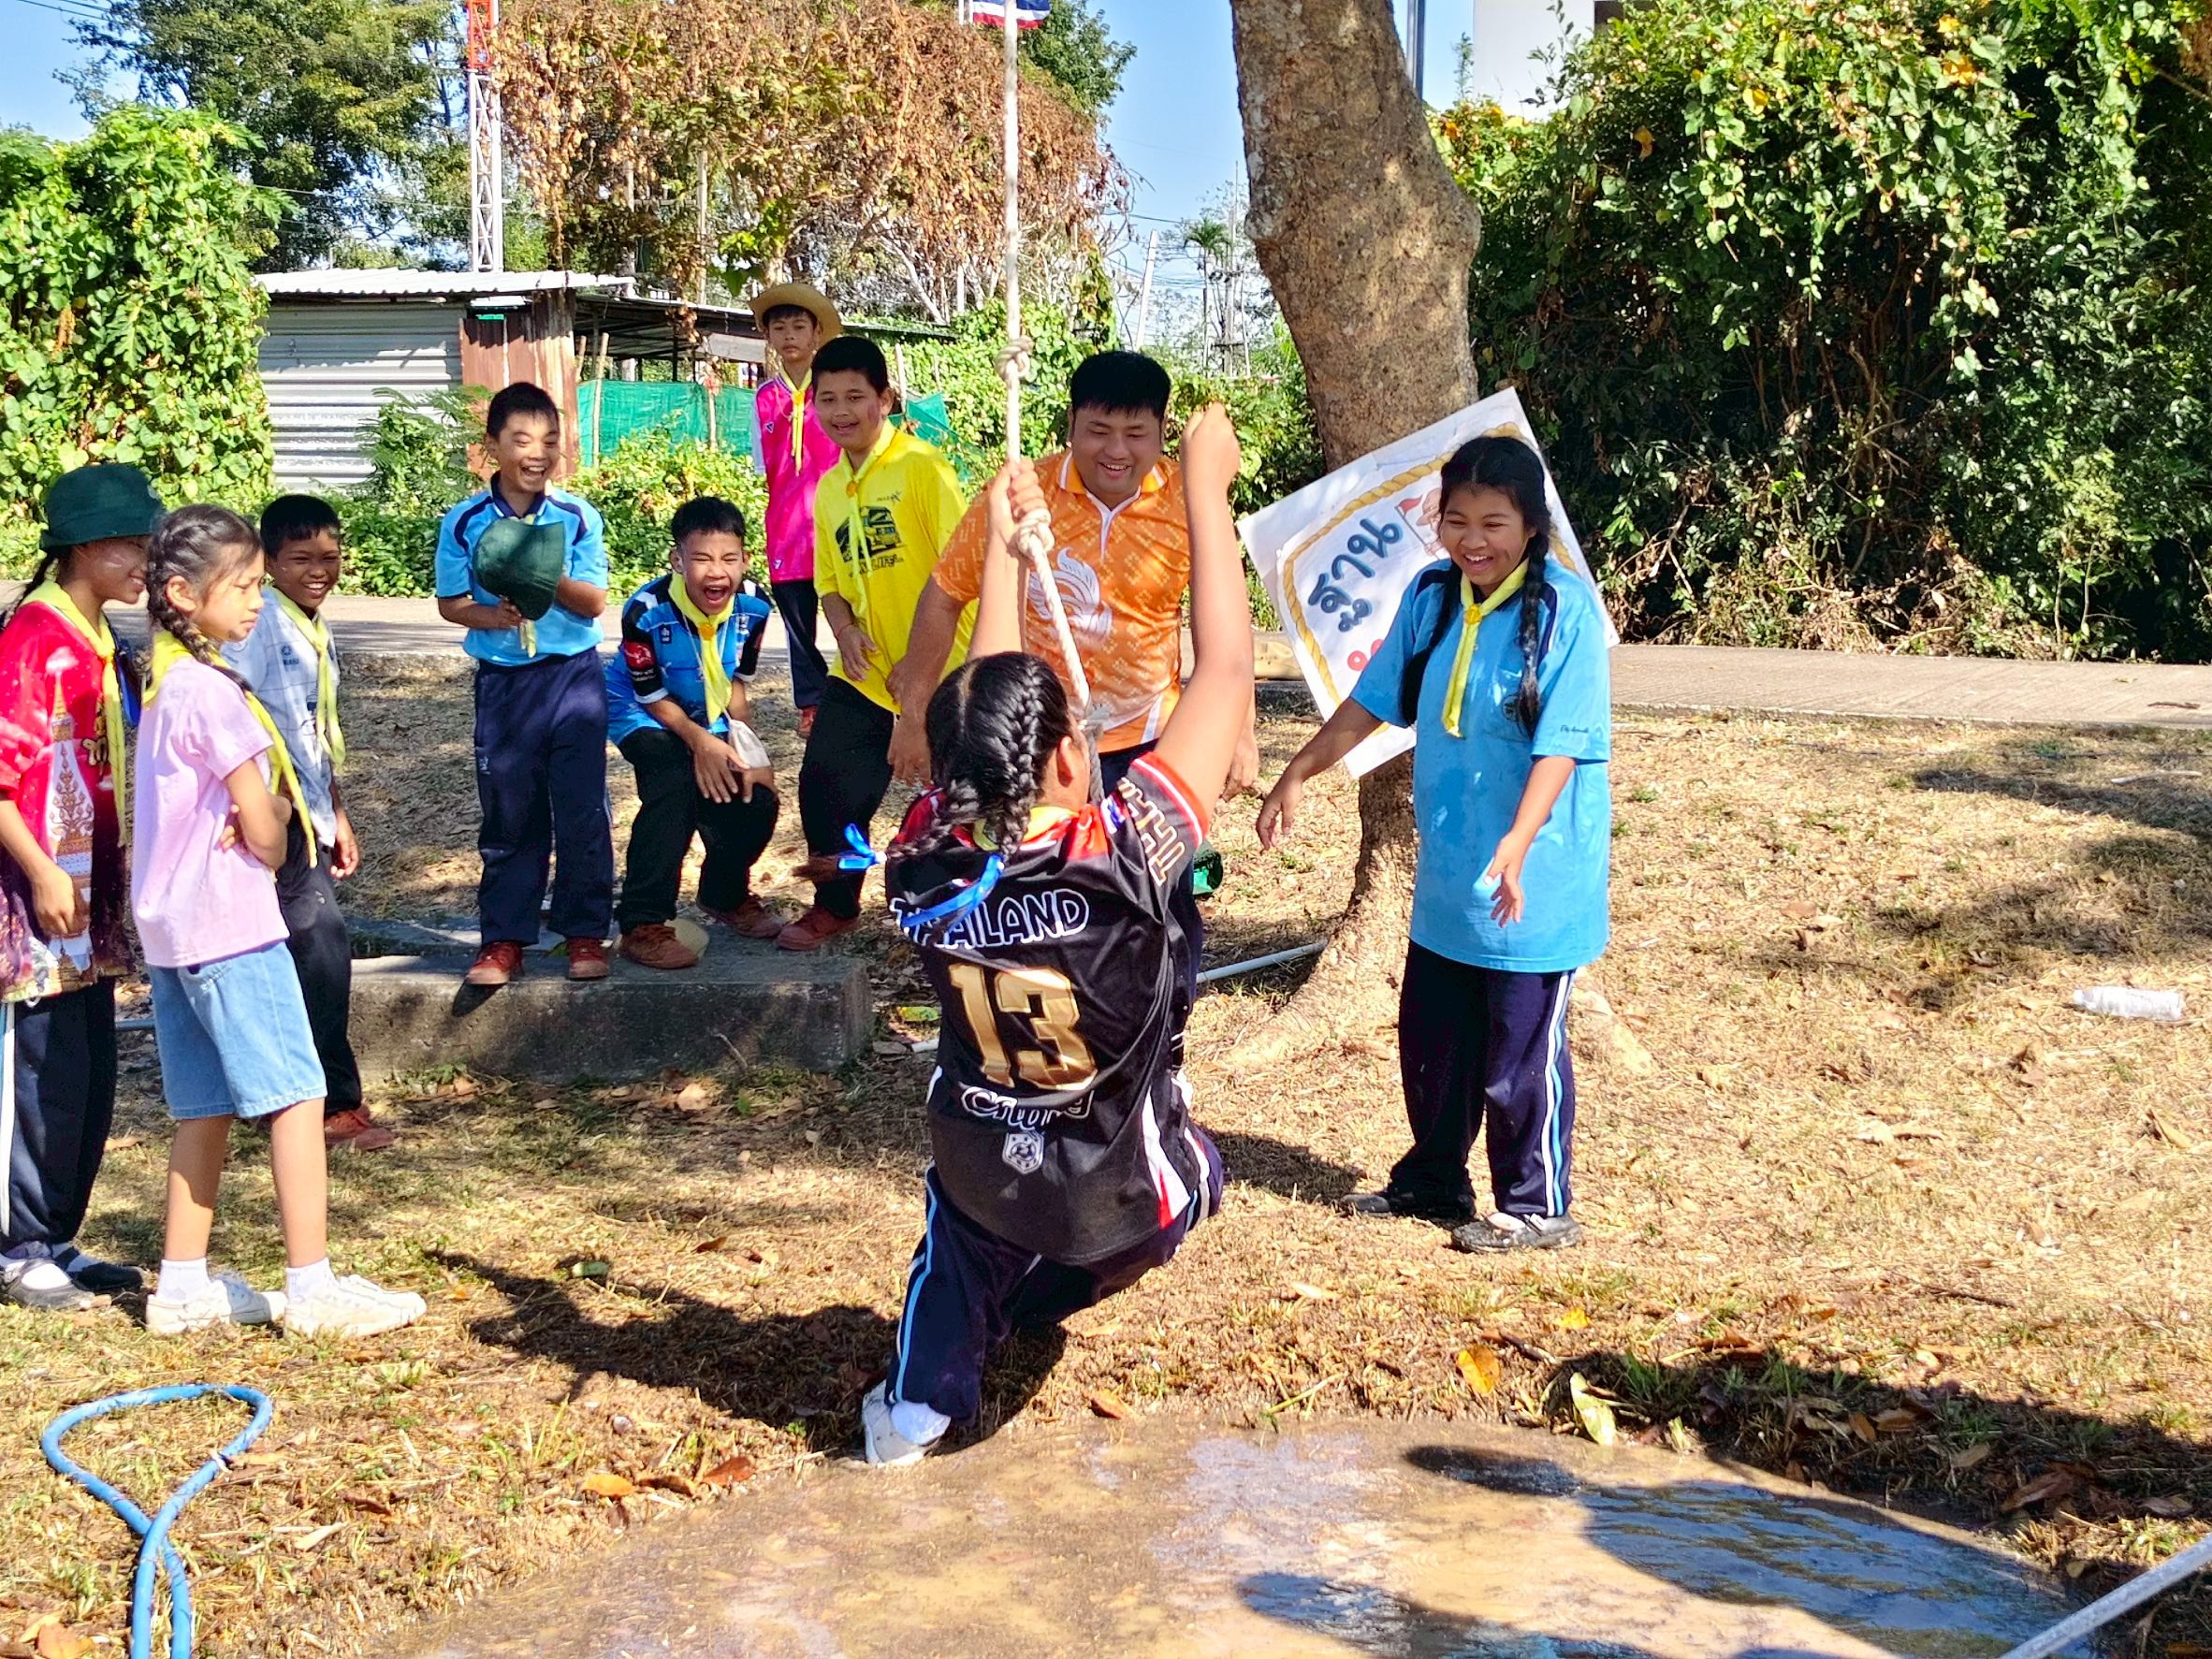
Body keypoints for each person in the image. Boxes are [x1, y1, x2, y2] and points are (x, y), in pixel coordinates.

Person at [860, 403, 1253, 1467]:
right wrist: (1206, 493)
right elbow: (1219, 672)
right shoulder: (1130, 853)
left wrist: (1002, 556)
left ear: (947, 778)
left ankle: (913, 1412)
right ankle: (1041, 1288)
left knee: (965, 1228)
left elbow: (982, 718)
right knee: (1195, 1180)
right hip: (1125, 1200)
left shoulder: (921, 863)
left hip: (988, 1169)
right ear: (1077, 763)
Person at [1256, 435, 1612, 1253]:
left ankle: (1536, 1203)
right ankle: (1433, 1182)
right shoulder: (1430, 598)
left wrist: (1521, 840)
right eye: (1457, 520)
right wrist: (1299, 771)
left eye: (1494, 522)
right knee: (1435, 1035)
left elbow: (1564, 743)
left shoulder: (1565, 612)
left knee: (1520, 1048)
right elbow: (1373, 700)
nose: (1473, 539)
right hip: (1451, 873)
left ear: (1531, 526)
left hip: (1535, 876)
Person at [892, 351, 1260, 1010]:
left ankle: (1157, 1023)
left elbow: (1216, 634)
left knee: (1162, 906)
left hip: (1150, 750)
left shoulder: (1184, 504)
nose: (1116, 451)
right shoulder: (1023, 496)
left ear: (1161, 430)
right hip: (1039, 753)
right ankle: (1050, 1013)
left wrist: (1240, 731)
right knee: (1024, 902)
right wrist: (914, 711)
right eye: (1098, 430)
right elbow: (945, 593)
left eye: (1135, 433)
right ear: (1070, 423)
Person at [134, 505, 426, 1337]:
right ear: (184, 594)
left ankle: (182, 1283)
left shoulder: (164, 683)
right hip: (231, 925)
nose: (259, 600)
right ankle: (312, 1285)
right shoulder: (218, 692)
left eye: (261, 584)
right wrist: (262, 825)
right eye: (246, 586)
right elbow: (265, 834)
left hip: (174, 934)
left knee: (207, 1104)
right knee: (299, 1093)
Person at [0, 464, 159, 1310]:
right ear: (90, 547)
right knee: (34, 1066)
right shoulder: (34, 640)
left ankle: (57, 1231)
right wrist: (40, 868)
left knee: (87, 1064)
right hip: (40, 896)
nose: (147, 560)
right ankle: (17, 1244)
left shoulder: (99, 642)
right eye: (137, 544)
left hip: (90, 897)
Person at [781, 334, 972, 952]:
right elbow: (827, 580)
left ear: (885, 399)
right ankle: (835, 905)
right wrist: (844, 629)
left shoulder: (923, 468)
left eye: (855, 397)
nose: (840, 411)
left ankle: (967, 919)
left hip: (946, 672)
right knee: (825, 783)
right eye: (827, 399)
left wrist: (917, 705)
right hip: (866, 676)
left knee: (960, 809)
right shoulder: (830, 485)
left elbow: (962, 575)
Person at [434, 382, 616, 986]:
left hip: (575, 681)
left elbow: (592, 603)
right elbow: (451, 602)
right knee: (510, 812)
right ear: (492, 446)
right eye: (521, 439)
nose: (537, 453)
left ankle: (584, 932)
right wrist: (495, 615)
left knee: (583, 808)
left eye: (549, 440)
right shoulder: (463, 521)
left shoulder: (577, 517)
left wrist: (540, 573)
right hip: (505, 686)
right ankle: (504, 938)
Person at [222, 494, 387, 1152]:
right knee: (319, 946)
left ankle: (296, 1095)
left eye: (330, 556)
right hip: (273, 814)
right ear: (268, 562)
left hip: (306, 809)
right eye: (301, 558)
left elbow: (312, 734)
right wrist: (264, 812)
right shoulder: (262, 627)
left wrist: (337, 813)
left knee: (306, 949)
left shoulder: (314, 624)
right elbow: (237, 720)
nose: (320, 569)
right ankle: (326, 1104)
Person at [606, 496, 782, 969]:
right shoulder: (645, 609)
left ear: (746, 560)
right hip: (643, 712)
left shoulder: (756, 606)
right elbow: (650, 697)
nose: (716, 572)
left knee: (757, 799)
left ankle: (723, 895)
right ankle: (643, 922)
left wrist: (741, 746)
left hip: (710, 713)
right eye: (701, 559)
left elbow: (736, 684)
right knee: (675, 783)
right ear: (678, 561)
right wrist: (701, 743)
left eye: (729, 559)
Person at [749, 283, 844, 737]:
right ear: (769, 337)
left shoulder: (835, 392)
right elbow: (758, 462)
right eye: (780, 327)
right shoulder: (764, 397)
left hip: (839, 524)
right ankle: (812, 702)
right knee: (797, 622)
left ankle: (870, 696)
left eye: (799, 327)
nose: (789, 336)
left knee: (857, 611)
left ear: (817, 333)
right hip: (787, 527)